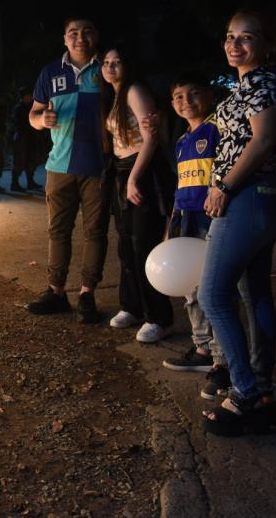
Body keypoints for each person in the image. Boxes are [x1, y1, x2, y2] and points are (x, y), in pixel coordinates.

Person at [199, 10, 276, 437]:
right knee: (255, 292)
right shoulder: (244, 86)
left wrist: (223, 186)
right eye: (229, 36)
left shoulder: (263, 81)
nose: (234, 45)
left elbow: (262, 140)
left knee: (213, 294)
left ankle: (244, 395)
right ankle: (263, 391)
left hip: (249, 195)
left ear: (266, 44)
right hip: (259, 196)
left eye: (246, 38)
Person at [26, 17, 109, 324]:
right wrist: (40, 120)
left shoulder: (107, 69)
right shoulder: (51, 72)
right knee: (58, 231)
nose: (80, 38)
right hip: (59, 165)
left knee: (95, 232)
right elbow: (34, 113)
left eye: (87, 31)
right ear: (64, 39)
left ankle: (87, 294)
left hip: (98, 166)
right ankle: (56, 291)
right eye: (73, 33)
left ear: (95, 36)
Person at [101, 45, 174, 342]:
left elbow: (151, 139)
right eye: (106, 62)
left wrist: (134, 178)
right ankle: (131, 306)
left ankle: (159, 317)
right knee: (126, 245)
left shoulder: (134, 90)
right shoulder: (114, 95)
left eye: (117, 62)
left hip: (141, 171)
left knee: (144, 244)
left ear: (128, 65)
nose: (111, 67)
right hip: (121, 170)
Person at [159, 74, 224, 373]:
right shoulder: (183, 141)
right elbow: (181, 186)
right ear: (172, 104)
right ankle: (201, 349)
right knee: (191, 288)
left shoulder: (217, 129)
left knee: (216, 289)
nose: (186, 101)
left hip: (211, 218)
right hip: (185, 220)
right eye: (179, 97)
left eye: (193, 93)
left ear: (209, 96)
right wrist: (170, 226)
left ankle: (221, 358)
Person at [10, 88, 42, 192]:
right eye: (28, 96)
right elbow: (18, 124)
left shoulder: (29, 107)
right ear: (23, 96)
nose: (31, 97)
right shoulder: (18, 108)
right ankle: (14, 183)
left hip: (29, 138)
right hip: (21, 138)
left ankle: (30, 182)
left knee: (30, 160)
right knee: (19, 160)